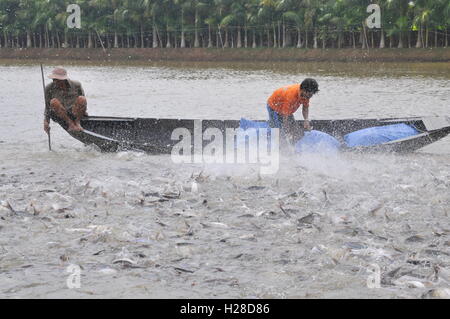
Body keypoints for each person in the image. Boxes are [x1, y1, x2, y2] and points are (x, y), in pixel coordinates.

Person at [44, 67, 88, 133]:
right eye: (54, 79)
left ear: (64, 79)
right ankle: (71, 124)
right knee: (54, 101)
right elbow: (47, 106)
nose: (55, 81)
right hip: (59, 113)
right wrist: (46, 121)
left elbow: (83, 102)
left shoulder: (76, 85)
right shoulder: (49, 88)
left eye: (58, 79)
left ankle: (77, 122)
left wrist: (83, 112)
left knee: (82, 99)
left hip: (73, 111)